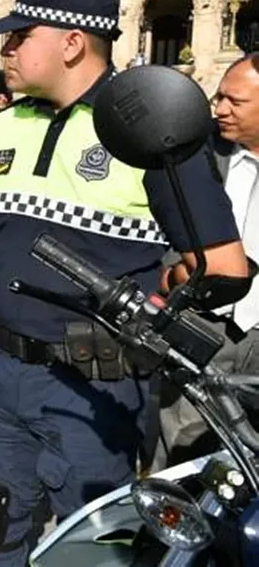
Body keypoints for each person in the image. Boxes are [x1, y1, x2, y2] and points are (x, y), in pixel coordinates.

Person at [0, 0, 249, 567]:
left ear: (72, 42)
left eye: (20, 35)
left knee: (92, 546)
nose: (6, 49)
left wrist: (165, 296)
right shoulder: (6, 124)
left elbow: (221, 266)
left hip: (94, 389)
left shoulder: (150, 129)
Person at [154, 53, 259, 468]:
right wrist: (173, 275)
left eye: (235, 101)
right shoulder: (199, 153)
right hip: (204, 324)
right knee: (181, 447)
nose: (220, 109)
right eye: (218, 97)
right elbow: (168, 221)